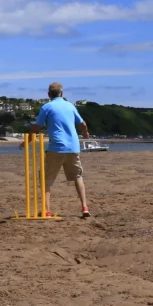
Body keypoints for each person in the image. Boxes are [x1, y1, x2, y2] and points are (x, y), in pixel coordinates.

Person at [28, 82, 91, 218]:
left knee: (46, 180)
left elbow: (36, 127)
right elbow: (83, 124)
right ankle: (84, 207)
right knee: (78, 176)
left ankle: (47, 211)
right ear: (62, 93)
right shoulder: (70, 106)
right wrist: (85, 133)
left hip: (56, 147)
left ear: (49, 94)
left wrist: (26, 141)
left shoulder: (47, 107)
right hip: (73, 147)